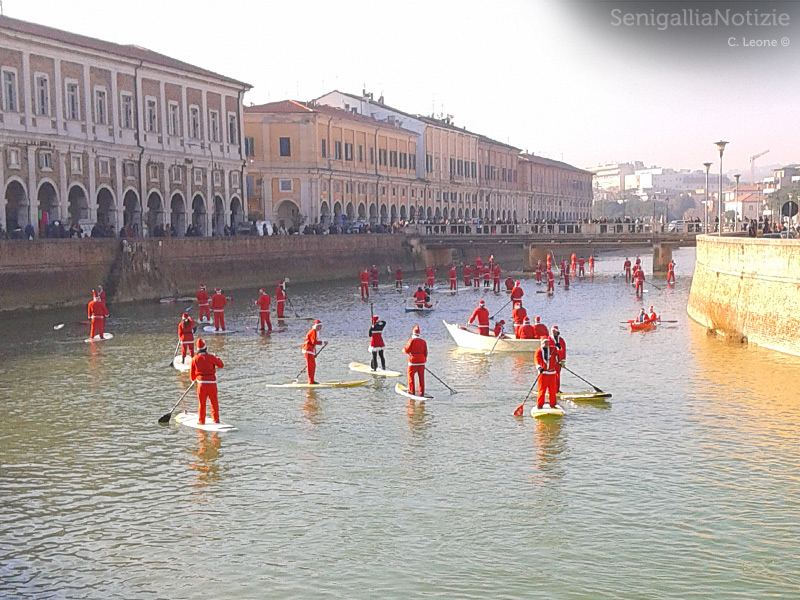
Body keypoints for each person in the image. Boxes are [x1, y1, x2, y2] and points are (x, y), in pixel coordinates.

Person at [190, 338, 224, 425]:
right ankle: (216, 419)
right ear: (206, 348)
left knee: (202, 403)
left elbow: (192, 376)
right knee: (214, 402)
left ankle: (201, 421)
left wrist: (194, 379)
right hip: (212, 383)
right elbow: (221, 365)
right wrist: (217, 358)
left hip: (201, 384)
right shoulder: (211, 357)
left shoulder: (194, 359)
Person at [402, 325, 427, 397]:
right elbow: (426, 352)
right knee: (421, 377)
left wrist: (403, 350)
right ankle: (421, 392)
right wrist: (424, 360)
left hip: (413, 361)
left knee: (411, 376)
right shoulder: (423, 341)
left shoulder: (411, 341)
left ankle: (411, 391)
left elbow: (406, 350)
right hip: (422, 361)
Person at [534, 338, 559, 409]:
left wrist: (559, 347)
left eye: (548, 342)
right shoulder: (538, 351)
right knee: (542, 390)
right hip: (543, 374)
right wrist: (539, 367)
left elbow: (558, 353)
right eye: (545, 342)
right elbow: (537, 359)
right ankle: (539, 405)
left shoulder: (552, 349)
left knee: (552, 390)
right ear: (542, 343)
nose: (547, 344)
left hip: (552, 373)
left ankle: (553, 404)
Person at [302, 320, 324, 384]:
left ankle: (312, 380)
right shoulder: (313, 331)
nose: (321, 327)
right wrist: (322, 342)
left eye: (321, 326)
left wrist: (314, 352)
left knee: (313, 366)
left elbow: (313, 343)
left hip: (311, 350)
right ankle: (310, 381)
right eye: (319, 326)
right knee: (310, 366)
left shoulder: (315, 331)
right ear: (316, 326)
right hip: (307, 349)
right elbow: (313, 342)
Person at [551, 326, 566, 391]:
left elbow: (563, 351)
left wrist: (563, 360)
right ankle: (551, 389)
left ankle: (557, 389)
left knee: (557, 376)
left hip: (558, 362)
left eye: (554, 331)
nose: (553, 332)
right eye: (552, 331)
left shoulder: (561, 340)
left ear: (557, 332)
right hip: (551, 361)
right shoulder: (549, 339)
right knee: (551, 376)